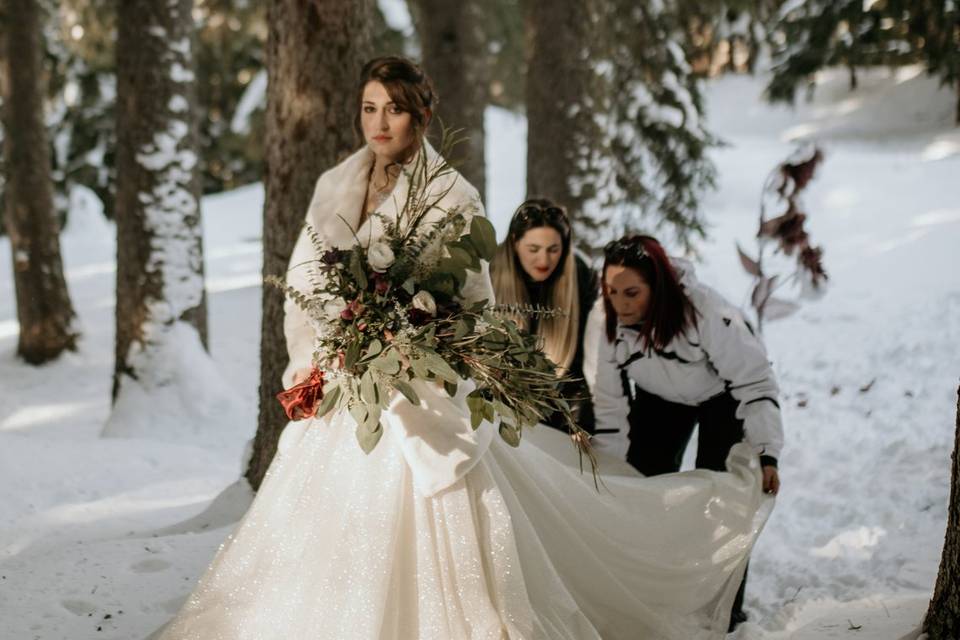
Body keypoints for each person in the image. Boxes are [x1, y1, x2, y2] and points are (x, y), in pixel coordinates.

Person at [153, 57, 771, 640]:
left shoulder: (453, 195)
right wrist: (317, 359)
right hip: (345, 378)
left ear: (421, 118)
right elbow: (307, 280)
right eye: (368, 109)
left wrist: (411, 334)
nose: (379, 123)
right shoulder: (334, 183)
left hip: (419, 385)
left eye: (393, 109)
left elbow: (473, 298)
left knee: (439, 500)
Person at [590, 234, 784, 630]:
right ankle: (648, 591)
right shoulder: (605, 318)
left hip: (721, 398)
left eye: (632, 293)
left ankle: (726, 607)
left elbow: (755, 381)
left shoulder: (708, 312)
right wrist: (609, 464)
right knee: (642, 489)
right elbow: (609, 400)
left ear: (656, 287)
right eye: (612, 291)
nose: (620, 304)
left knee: (724, 498)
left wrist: (766, 452)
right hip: (659, 400)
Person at [491, 199, 597, 433]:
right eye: (533, 249)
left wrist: (578, 419)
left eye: (553, 250)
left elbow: (583, 361)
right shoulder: (488, 272)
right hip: (501, 401)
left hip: (559, 398)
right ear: (514, 243)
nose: (544, 261)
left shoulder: (581, 275)